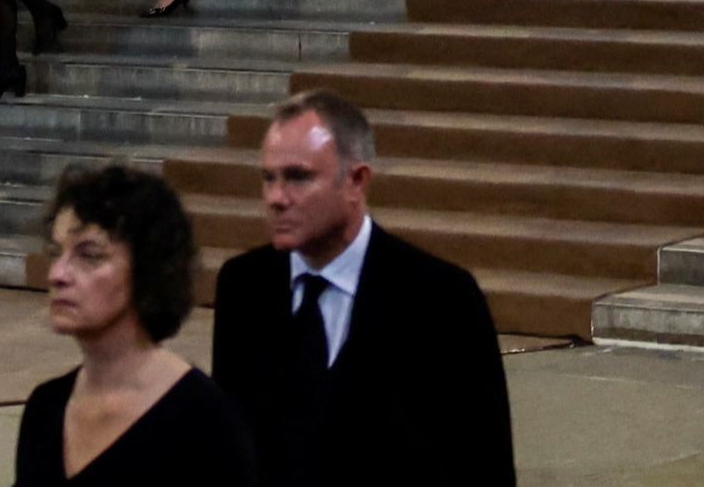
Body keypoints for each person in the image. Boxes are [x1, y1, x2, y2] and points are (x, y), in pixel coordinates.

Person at [208, 90, 514, 487]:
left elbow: (484, 466)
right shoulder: (244, 286)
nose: (276, 199)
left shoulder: (441, 298)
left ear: (356, 181)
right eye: (269, 178)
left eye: (298, 177)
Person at [17, 160, 252, 485]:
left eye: (89, 255)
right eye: (57, 252)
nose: (57, 274)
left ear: (148, 270)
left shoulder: (202, 418)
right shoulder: (45, 407)